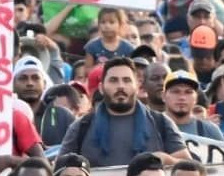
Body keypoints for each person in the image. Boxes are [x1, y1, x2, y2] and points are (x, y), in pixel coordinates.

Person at [59, 57, 188, 168]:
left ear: (137, 86)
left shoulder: (160, 122)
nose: (120, 86)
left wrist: (166, 160)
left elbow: (187, 166)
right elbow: (60, 168)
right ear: (101, 88)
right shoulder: (82, 126)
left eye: (126, 80)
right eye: (113, 80)